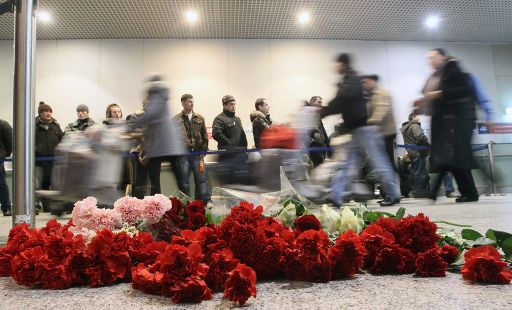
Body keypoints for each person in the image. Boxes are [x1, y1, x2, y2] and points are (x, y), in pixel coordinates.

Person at [319, 53, 401, 206]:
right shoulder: (348, 80)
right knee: (349, 164)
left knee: (379, 162)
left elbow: (342, 100)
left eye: (337, 64)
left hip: (365, 130)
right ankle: (336, 195)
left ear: (343, 64)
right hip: (356, 130)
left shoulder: (353, 79)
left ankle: (393, 194)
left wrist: (324, 111)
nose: (334, 67)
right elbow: (343, 103)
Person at [421, 48, 479, 202]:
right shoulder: (439, 73)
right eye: (429, 58)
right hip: (446, 120)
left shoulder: (452, 69)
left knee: (454, 158)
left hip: (454, 120)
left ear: (443, 56)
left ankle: (469, 192)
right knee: (452, 159)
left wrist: (438, 94)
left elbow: (462, 92)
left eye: (434, 57)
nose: (431, 61)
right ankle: (466, 192)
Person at [128, 75, 185, 195]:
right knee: (179, 180)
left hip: (161, 146)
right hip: (167, 145)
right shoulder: (162, 95)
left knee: (155, 180)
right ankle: (188, 204)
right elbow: (153, 122)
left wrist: (130, 126)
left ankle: (158, 207)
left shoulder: (156, 94)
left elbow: (151, 115)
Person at [174, 94, 211, 202]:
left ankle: (204, 202)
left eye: (193, 101)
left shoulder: (200, 118)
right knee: (184, 182)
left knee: (202, 180)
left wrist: (204, 150)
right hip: (183, 156)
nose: (192, 103)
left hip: (198, 155)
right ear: (183, 103)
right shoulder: (175, 119)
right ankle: (186, 203)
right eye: (189, 101)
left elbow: (205, 135)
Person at [212, 95, 249, 184]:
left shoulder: (237, 119)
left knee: (241, 183)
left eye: (234, 104)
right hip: (227, 158)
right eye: (231, 104)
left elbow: (242, 135)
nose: (234, 106)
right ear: (225, 106)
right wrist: (230, 144)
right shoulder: (219, 119)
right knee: (229, 184)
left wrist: (245, 149)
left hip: (240, 156)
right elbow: (216, 134)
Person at [361, 75, 397, 165]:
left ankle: (395, 177)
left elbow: (381, 110)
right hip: (377, 134)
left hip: (386, 133)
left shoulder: (382, 93)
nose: (364, 85)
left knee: (387, 162)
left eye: (366, 82)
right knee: (381, 162)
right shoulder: (369, 96)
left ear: (373, 82)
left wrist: (368, 123)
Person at [400, 113, 431, 198]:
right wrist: (427, 143)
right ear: (413, 117)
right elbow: (420, 137)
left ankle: (414, 190)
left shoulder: (404, 128)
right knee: (420, 172)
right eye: (417, 117)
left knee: (414, 172)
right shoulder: (415, 126)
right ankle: (420, 191)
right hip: (418, 152)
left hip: (411, 152)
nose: (419, 119)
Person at [35, 102, 64, 190]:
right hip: (39, 163)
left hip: (54, 162)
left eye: (50, 111)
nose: (48, 113)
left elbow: (62, 140)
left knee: (56, 186)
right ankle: (40, 203)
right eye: (45, 111)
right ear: (40, 113)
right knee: (41, 186)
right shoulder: (33, 126)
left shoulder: (56, 126)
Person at [306, 96, 330, 167]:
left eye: (321, 102)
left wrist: (327, 143)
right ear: (312, 103)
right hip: (315, 146)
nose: (321, 104)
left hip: (321, 145)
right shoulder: (308, 115)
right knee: (318, 168)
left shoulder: (317, 115)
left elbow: (322, 130)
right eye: (319, 102)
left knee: (320, 168)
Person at [0, 118, 12, 216]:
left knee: (1, 184)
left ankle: (6, 207)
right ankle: (6, 208)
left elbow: (9, 143)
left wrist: (3, 155)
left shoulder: (3, 125)